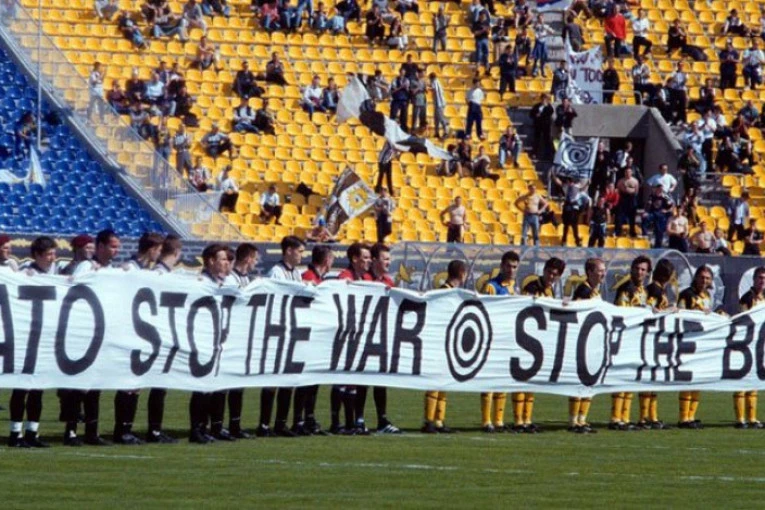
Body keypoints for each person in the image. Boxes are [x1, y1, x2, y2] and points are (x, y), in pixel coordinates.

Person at [112, 233, 164, 446]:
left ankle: (127, 429)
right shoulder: (129, 269)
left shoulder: (147, 271)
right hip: (128, 331)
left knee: (136, 384)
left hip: (141, 332)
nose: (159, 254)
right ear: (151, 249)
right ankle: (121, 430)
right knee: (127, 383)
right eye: (158, 250)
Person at [8, 237, 58, 448]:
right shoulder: (26, 273)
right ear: (37, 255)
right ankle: (15, 433)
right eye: (48, 254)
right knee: (21, 387)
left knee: (38, 388)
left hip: (44, 338)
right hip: (25, 338)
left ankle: (32, 432)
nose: (52, 258)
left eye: (54, 253)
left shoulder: (54, 274)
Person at [257, 236, 306, 438]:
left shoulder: (297, 273)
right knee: (272, 380)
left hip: (291, 330)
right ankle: (264, 424)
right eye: (299, 251)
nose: (301, 255)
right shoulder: (276, 272)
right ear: (289, 251)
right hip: (277, 330)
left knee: (288, 379)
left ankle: (280, 423)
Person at [355, 243, 402, 435]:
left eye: (389, 259)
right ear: (375, 261)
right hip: (364, 336)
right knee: (362, 379)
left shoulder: (389, 282)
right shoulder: (363, 280)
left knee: (381, 379)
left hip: (382, 336)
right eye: (385, 259)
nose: (388, 262)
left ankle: (382, 419)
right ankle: (358, 418)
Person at [519, 257, 566, 432]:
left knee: (532, 380)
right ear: (544, 270)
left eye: (555, 274)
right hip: (526, 338)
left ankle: (527, 419)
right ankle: (519, 420)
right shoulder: (532, 287)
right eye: (549, 272)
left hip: (540, 340)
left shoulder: (550, 290)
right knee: (522, 379)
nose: (551, 276)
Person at [145, 235, 183, 444]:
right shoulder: (159, 274)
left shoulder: (165, 273)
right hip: (156, 334)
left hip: (162, 334)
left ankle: (155, 429)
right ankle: (152, 431)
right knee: (154, 385)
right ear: (176, 252)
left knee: (160, 386)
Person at [293, 245, 334, 436]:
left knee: (313, 380)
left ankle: (309, 417)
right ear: (326, 260)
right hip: (306, 336)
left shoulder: (319, 279)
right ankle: (299, 419)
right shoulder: (309, 277)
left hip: (316, 336)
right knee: (304, 381)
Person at [422, 259, 466, 434]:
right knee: (435, 382)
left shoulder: (451, 292)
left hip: (448, 343)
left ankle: (439, 420)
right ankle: (429, 421)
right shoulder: (443, 292)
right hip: (439, 343)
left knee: (443, 384)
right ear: (462, 274)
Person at [221, 243, 259, 439]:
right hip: (229, 337)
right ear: (248, 258)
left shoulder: (246, 279)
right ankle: (216, 425)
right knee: (224, 385)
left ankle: (235, 425)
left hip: (243, 337)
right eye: (255, 258)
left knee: (238, 385)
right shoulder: (231, 279)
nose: (256, 262)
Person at [480, 251, 520, 433]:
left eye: (514, 267)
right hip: (492, 339)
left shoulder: (513, 288)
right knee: (489, 380)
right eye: (509, 266)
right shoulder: (491, 287)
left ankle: (499, 421)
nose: (511, 270)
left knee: (503, 380)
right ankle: (486, 421)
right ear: (502, 266)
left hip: (507, 339)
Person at [612, 255, 652, 431]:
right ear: (631, 269)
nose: (639, 272)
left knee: (630, 379)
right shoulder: (625, 289)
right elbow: (622, 313)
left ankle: (625, 418)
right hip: (624, 338)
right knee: (621, 378)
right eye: (637, 268)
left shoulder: (644, 291)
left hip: (638, 338)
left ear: (647, 273)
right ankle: (616, 418)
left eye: (643, 269)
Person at [569, 258, 606, 433]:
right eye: (600, 270)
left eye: (603, 270)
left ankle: (582, 419)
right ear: (590, 272)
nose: (603, 274)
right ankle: (574, 420)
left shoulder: (595, 291)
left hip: (593, 342)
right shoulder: (583, 291)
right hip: (582, 342)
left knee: (590, 382)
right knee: (580, 381)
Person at [639, 259, 675, 429]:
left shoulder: (659, 289)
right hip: (650, 337)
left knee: (654, 380)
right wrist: (670, 310)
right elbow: (651, 311)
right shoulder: (654, 289)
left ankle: (652, 416)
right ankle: (644, 417)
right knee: (649, 379)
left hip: (657, 337)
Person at [677, 265, 714, 429]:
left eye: (707, 278)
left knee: (698, 380)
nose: (704, 281)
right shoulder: (686, 294)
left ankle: (691, 416)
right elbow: (679, 314)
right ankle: (683, 418)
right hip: (688, 340)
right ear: (696, 277)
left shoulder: (707, 296)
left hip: (702, 341)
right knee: (688, 379)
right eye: (702, 277)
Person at [735, 266, 765, 429]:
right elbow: (741, 320)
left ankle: (752, 418)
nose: (762, 281)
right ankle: (740, 419)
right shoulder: (747, 298)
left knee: (754, 380)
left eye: (764, 278)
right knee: (742, 381)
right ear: (754, 279)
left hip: (760, 345)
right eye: (760, 277)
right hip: (746, 345)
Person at [642, 184, 674, 248]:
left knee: (659, 230)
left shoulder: (665, 196)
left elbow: (672, 205)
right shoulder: (652, 196)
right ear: (656, 189)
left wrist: (666, 211)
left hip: (661, 214)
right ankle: (645, 234)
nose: (660, 190)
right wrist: (646, 212)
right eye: (659, 189)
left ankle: (658, 245)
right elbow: (648, 205)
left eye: (661, 189)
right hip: (653, 213)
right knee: (645, 218)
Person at [615, 167, 639, 237]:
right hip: (623, 199)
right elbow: (618, 190)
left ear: (631, 173)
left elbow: (636, 191)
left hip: (632, 199)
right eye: (626, 172)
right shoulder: (621, 181)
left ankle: (632, 232)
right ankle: (618, 232)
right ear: (624, 173)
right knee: (619, 216)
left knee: (632, 217)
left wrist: (629, 189)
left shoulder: (635, 181)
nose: (627, 173)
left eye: (629, 172)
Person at [530, 94, 554, 159]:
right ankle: (534, 153)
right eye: (543, 99)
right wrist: (536, 115)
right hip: (538, 125)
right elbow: (531, 114)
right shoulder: (536, 106)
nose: (544, 100)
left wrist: (541, 114)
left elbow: (550, 112)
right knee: (536, 139)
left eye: (545, 99)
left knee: (547, 140)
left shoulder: (549, 107)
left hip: (546, 126)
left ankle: (548, 155)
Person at [429, 72, 449, 139]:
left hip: (439, 103)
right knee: (436, 118)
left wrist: (428, 88)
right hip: (437, 103)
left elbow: (434, 89)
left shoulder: (434, 82)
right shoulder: (437, 82)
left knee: (441, 118)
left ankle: (446, 132)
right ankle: (436, 132)